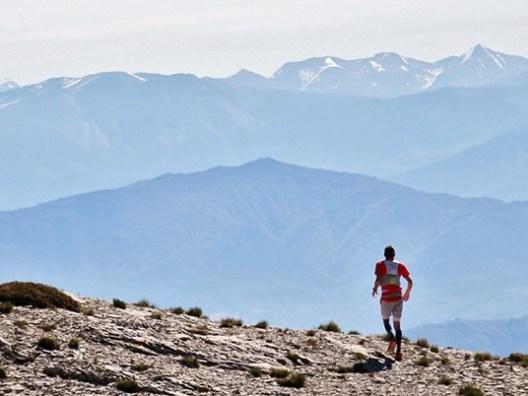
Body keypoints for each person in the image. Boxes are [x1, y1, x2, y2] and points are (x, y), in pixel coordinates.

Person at [372, 245, 413, 361]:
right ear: (394, 255)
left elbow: (379, 279)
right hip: (398, 298)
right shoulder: (400, 265)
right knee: (398, 325)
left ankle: (392, 338)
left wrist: (375, 288)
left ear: (385, 254)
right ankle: (399, 352)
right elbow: (410, 282)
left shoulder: (380, 265)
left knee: (386, 321)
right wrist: (407, 293)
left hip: (386, 298)